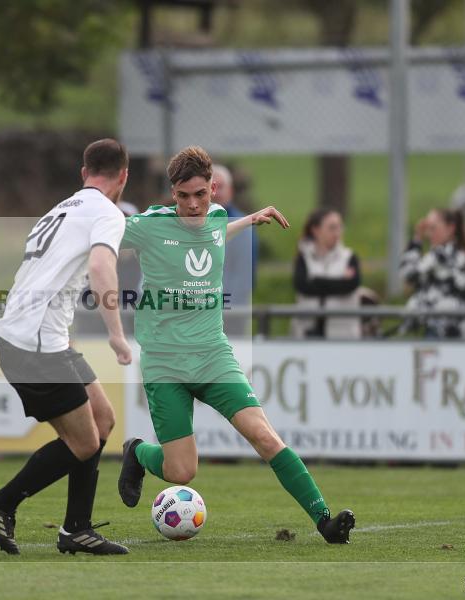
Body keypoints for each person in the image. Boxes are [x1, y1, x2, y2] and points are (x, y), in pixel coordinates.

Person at [117, 146, 355, 544]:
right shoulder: (148, 225)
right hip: (165, 364)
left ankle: (324, 520)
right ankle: (138, 451)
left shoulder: (216, 217)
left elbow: (214, 230)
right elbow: (96, 238)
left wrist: (248, 219)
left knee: (264, 436)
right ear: (171, 193)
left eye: (201, 195)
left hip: (213, 356)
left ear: (214, 189)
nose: (193, 205)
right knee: (181, 472)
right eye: (183, 196)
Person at [0, 139, 132, 556]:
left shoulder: (60, 209)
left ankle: (76, 528)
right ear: (123, 177)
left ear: (84, 173)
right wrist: (116, 332)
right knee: (85, 443)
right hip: (36, 346)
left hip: (41, 339)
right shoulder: (108, 213)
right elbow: (100, 267)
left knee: (102, 420)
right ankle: (0, 503)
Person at [399, 208, 465, 339]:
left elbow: (407, 273)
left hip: (442, 333)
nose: (429, 234)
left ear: (451, 228)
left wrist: (417, 239)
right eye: (427, 229)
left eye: (433, 228)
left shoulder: (440, 255)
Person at [291, 208, 362, 339]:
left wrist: (316, 281)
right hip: (307, 333)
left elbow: (351, 285)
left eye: (340, 227)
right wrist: (339, 281)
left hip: (342, 335)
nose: (337, 233)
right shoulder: (303, 257)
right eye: (332, 228)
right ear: (316, 230)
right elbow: (302, 286)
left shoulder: (349, 257)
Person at [212, 164, 257, 311]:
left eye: (221, 187)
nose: (216, 193)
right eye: (212, 187)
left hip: (229, 309)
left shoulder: (242, 225)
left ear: (230, 191)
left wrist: (227, 307)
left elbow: (244, 275)